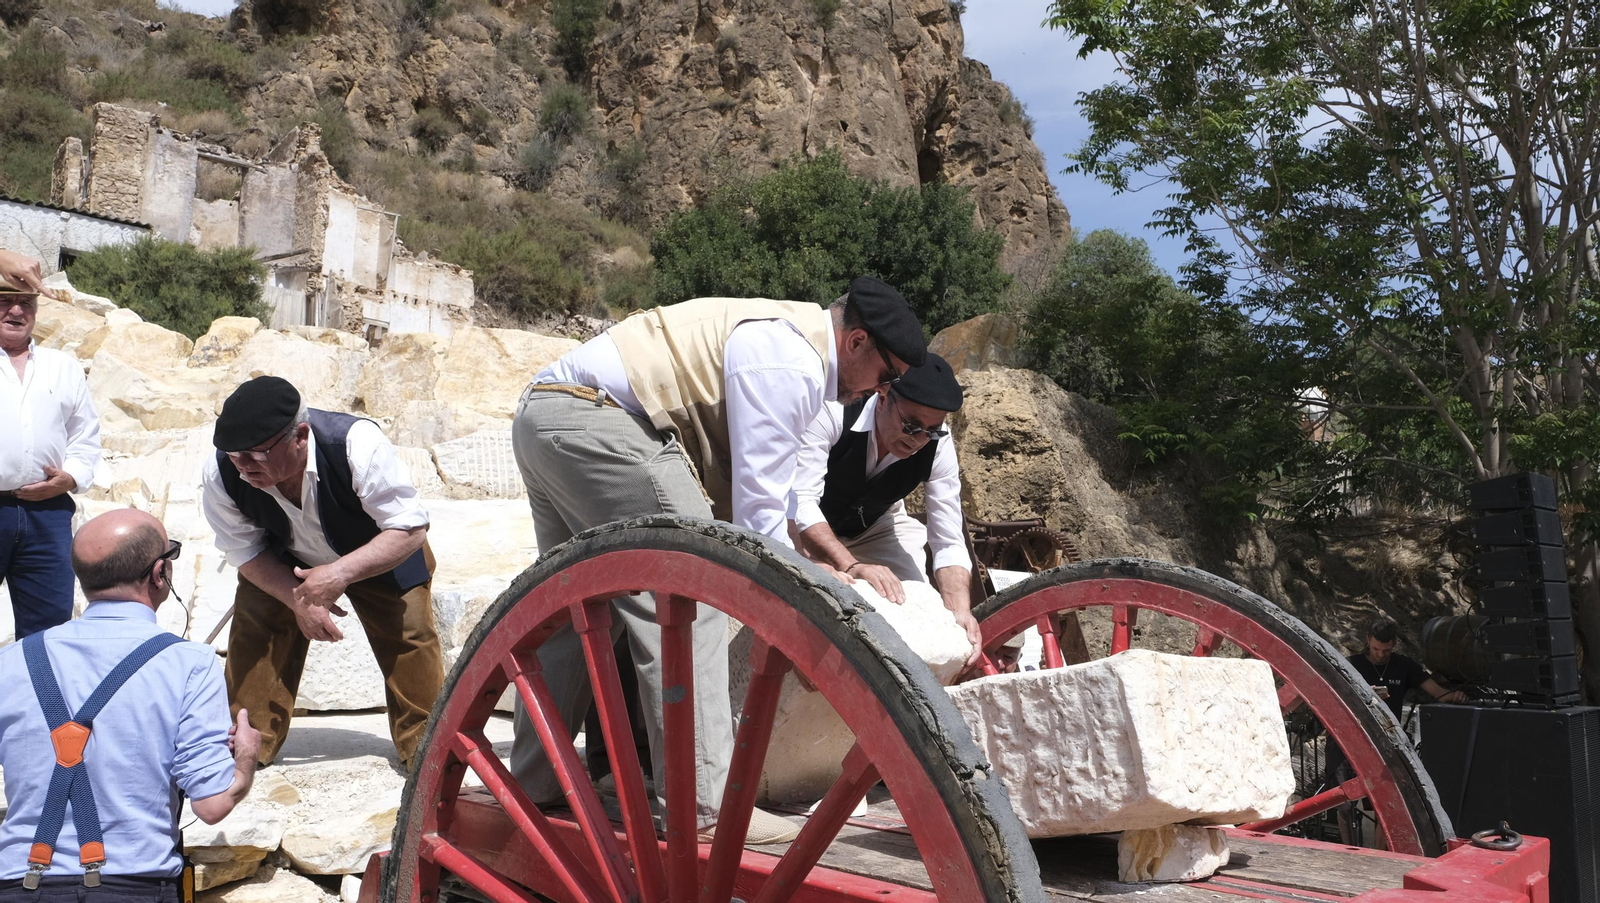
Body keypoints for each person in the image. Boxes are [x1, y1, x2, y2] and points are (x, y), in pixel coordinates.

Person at [510, 276, 927, 844]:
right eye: (887, 375)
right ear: (856, 342)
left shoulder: (784, 341)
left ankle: (537, 780)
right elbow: (757, 524)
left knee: (573, 610)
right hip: (601, 421)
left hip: (548, 416)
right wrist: (801, 628)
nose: (884, 390)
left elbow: (764, 500)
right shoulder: (793, 363)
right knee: (691, 594)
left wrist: (811, 571)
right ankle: (706, 809)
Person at [0, 509, 259, 900]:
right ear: (160, 573)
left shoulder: (11, 661)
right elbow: (212, 805)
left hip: (18, 885)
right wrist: (246, 758)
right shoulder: (191, 663)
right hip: (134, 886)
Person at [199, 376, 443, 770]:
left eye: (256, 454)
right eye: (233, 454)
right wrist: (297, 599)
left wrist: (338, 574)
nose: (242, 467)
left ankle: (428, 750)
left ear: (300, 436)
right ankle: (246, 744)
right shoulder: (221, 473)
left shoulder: (356, 445)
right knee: (257, 626)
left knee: (409, 634)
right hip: (286, 557)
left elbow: (410, 528)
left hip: (377, 548)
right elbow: (244, 550)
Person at [789, 352, 982, 664]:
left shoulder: (939, 445)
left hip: (877, 525)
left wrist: (959, 609)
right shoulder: (833, 411)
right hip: (805, 525)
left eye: (932, 430)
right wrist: (851, 566)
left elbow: (948, 541)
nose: (919, 440)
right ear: (882, 398)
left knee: (917, 608)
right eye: (911, 425)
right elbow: (801, 501)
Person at [0, 249, 102, 638]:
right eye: (5, 301)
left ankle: (37, 681)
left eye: (26, 302)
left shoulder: (64, 367)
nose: (16, 311)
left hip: (48, 515)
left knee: (48, 631)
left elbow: (85, 435)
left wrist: (71, 477)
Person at [1327, 618, 1464, 845]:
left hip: (1384, 742)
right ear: (1368, 640)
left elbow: (1437, 692)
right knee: (1344, 803)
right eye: (1376, 649)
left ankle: (1379, 852)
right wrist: (1363, 694)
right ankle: (1348, 848)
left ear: (1394, 644)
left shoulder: (1404, 665)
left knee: (1388, 802)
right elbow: (1333, 698)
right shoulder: (1352, 664)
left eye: (1386, 650)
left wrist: (1455, 696)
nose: (1380, 654)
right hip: (1347, 740)